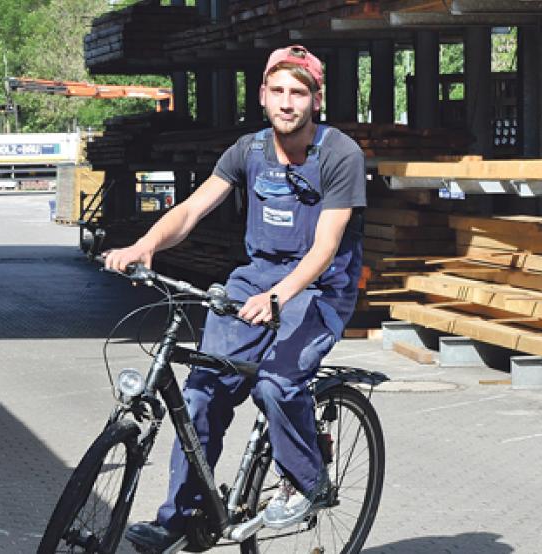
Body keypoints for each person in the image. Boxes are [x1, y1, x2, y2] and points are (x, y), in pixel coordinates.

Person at [104, 44, 366, 554]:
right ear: (263, 95)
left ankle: (309, 483)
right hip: (255, 280)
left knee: (276, 385)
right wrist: (145, 246)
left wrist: (280, 295)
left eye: (299, 92)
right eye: (278, 91)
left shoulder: (339, 155)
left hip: (319, 288)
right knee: (200, 394)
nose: (287, 103)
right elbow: (191, 210)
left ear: (316, 99)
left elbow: (327, 246)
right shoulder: (247, 151)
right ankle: (181, 517)